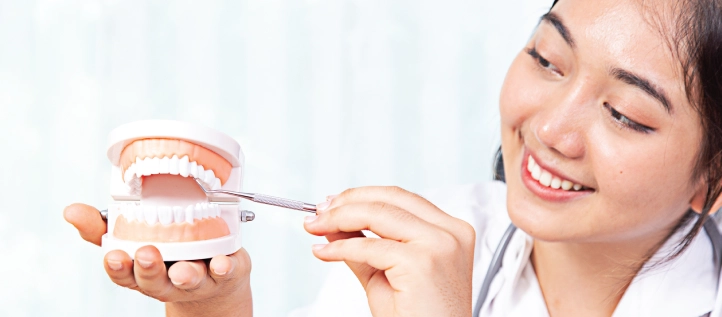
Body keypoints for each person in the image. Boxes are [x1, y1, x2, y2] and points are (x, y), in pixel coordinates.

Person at [64, 0, 722, 315]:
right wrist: (214, 305)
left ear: (711, 179)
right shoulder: (414, 246)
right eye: (547, 60)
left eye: (624, 114)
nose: (551, 128)